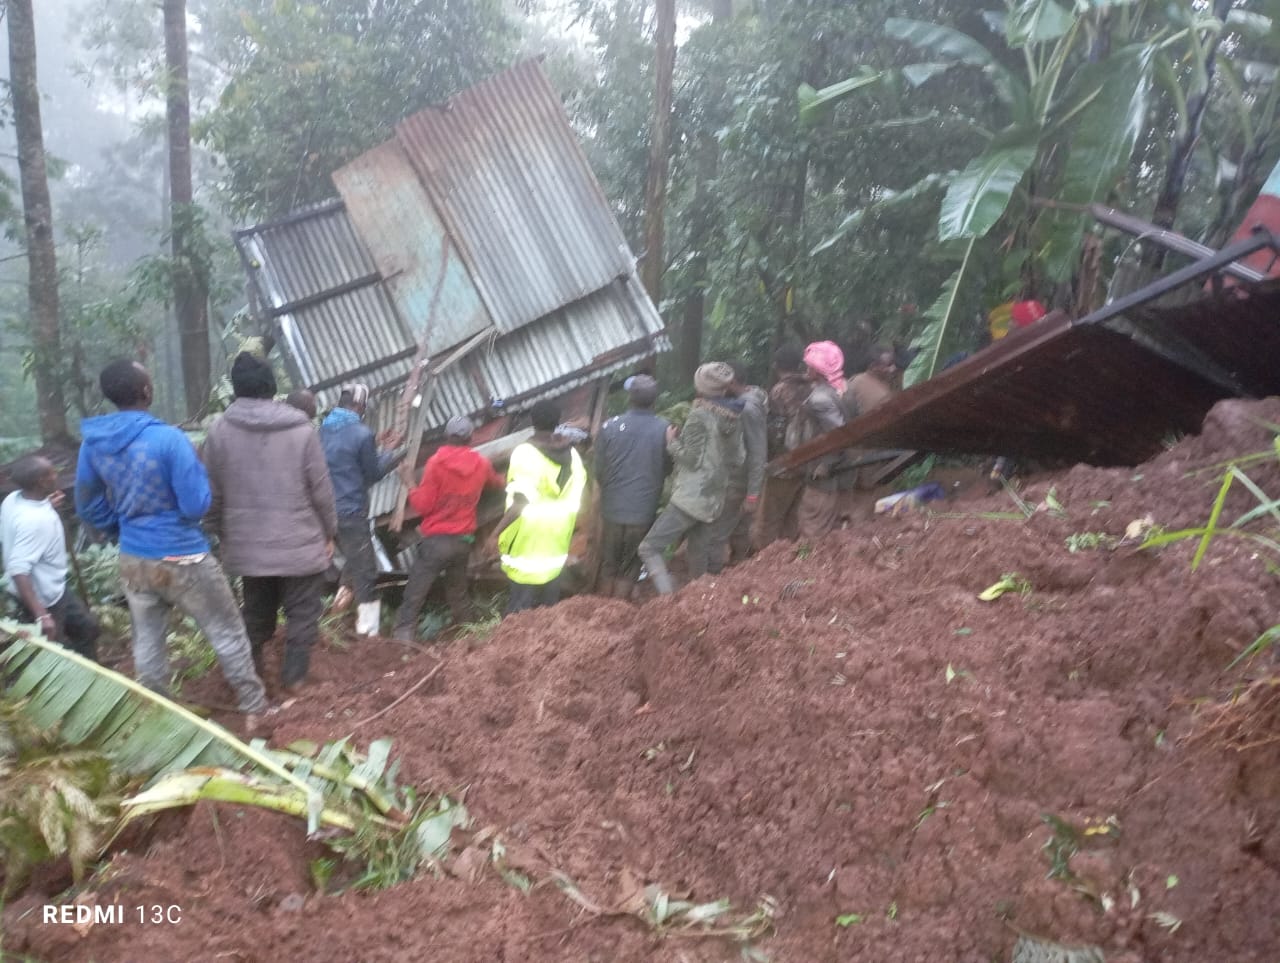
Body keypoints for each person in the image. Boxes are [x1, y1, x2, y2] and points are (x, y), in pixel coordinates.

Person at [75, 359, 268, 724]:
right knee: (226, 631)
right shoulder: (168, 439)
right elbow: (196, 504)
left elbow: (87, 504)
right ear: (146, 391)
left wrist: (120, 528)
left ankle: (157, 718)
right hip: (184, 557)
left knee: (147, 640)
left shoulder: (94, 445)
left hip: (134, 558)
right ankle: (254, 708)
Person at [202, 353, 337, 692]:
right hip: (301, 544)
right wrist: (330, 531)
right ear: (272, 386)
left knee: (256, 614)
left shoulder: (218, 432)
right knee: (302, 614)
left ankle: (250, 681)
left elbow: (211, 494)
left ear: (236, 387)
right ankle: (294, 680)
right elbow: (321, 489)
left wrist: (222, 532)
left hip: (248, 549)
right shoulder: (302, 429)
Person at [392, 415, 504, 640]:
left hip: (436, 542)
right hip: (463, 541)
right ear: (470, 438)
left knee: (415, 592)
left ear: (446, 436)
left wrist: (409, 481)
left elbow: (423, 506)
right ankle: (473, 637)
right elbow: (499, 483)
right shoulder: (481, 463)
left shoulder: (436, 463)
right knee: (458, 593)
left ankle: (403, 638)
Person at [637, 362, 745, 595]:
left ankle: (669, 598)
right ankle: (701, 600)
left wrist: (671, 442)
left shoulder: (699, 415)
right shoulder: (733, 417)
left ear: (700, 387)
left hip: (690, 498)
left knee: (648, 548)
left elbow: (691, 459)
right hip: (714, 498)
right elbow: (738, 458)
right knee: (698, 555)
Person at [320, 383, 405, 636]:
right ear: (359, 406)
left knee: (354, 565)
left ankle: (334, 619)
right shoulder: (361, 433)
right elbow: (373, 472)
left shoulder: (322, 430)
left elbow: (343, 458)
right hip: (351, 512)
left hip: (326, 514)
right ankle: (369, 633)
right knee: (366, 572)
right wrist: (390, 452)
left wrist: (375, 443)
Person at [1, 455, 99, 660]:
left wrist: (48, 505)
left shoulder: (14, 499)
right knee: (55, 651)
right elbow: (18, 568)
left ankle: (92, 671)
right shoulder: (36, 520)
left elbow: (27, 522)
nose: (56, 475)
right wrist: (42, 615)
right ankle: (73, 683)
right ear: (41, 481)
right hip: (41, 598)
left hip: (54, 589)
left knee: (87, 629)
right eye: (52, 472)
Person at [494, 400, 587, 614]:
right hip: (557, 540)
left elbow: (521, 501)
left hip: (528, 542)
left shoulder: (525, 453)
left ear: (532, 421)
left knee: (520, 611)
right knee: (548, 608)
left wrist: (494, 535)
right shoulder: (572, 455)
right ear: (557, 422)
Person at [592, 375, 669, 599]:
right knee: (630, 567)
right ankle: (618, 613)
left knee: (609, 563)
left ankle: (603, 613)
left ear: (630, 399)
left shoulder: (609, 426)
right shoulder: (665, 429)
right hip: (643, 510)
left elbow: (599, 470)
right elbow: (668, 467)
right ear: (655, 401)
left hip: (612, 509)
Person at [706, 363, 766, 573]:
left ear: (732, 382)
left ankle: (709, 580)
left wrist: (753, 494)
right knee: (738, 526)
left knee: (717, 532)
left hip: (737, 481)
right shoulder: (746, 401)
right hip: (738, 479)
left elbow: (758, 450)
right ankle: (740, 569)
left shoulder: (747, 409)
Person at [844, 345, 899, 419]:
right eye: (888, 365)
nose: (893, 368)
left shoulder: (891, 378)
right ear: (874, 367)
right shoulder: (858, 383)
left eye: (893, 364)